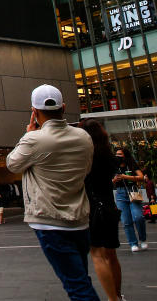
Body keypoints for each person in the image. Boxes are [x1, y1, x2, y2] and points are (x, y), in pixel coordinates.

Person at [6, 84, 97, 301]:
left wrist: (27, 135)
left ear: (34, 112)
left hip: (49, 222)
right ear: (63, 107)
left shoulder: (34, 139)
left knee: (77, 286)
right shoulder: (84, 137)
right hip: (80, 219)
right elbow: (86, 170)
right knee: (80, 277)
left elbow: (12, 164)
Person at [78, 119, 123, 301]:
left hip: (93, 208)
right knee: (111, 254)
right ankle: (118, 295)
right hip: (110, 207)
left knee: (98, 255)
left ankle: (113, 299)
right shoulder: (110, 158)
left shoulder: (85, 160)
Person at [113, 146, 147, 252]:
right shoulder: (114, 166)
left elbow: (141, 177)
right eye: (116, 154)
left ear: (125, 155)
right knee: (126, 220)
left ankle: (143, 239)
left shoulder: (131, 164)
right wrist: (114, 180)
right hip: (120, 193)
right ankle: (133, 243)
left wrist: (126, 177)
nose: (117, 156)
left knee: (138, 217)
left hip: (133, 191)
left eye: (120, 154)